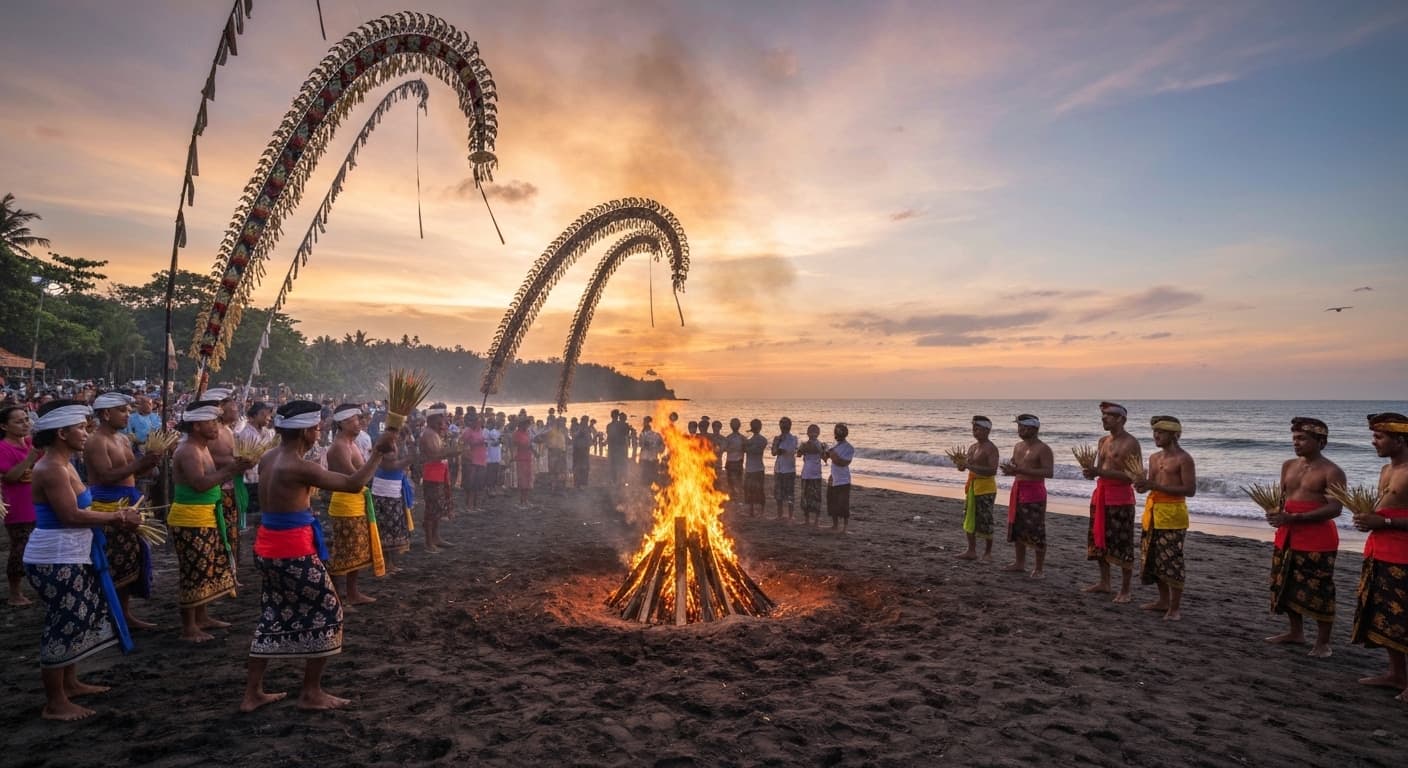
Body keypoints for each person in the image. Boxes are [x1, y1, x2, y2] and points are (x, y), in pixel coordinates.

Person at [241, 400, 394, 712]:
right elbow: (353, 484)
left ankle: (252, 693)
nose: (319, 431)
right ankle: (311, 692)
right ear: (305, 432)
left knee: (273, 614)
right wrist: (377, 452)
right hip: (292, 551)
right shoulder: (298, 466)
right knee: (329, 611)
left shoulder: (270, 457)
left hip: (268, 548)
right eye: (315, 427)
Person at [24, 400, 141, 720]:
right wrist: (117, 517)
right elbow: (70, 515)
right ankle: (55, 702)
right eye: (80, 427)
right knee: (63, 623)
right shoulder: (51, 468)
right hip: (56, 557)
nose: (86, 433)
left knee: (75, 618)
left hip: (72, 554)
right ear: (61, 433)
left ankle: (70, 683)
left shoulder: (63, 464)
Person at [169, 400, 253, 641]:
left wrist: (236, 467)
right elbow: (200, 484)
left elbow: (211, 476)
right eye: (211, 421)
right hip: (191, 518)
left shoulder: (202, 447)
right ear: (196, 426)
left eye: (217, 421)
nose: (216, 426)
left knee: (206, 568)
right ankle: (189, 628)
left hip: (206, 514)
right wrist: (233, 469)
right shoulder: (188, 450)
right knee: (193, 571)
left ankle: (202, 617)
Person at [84, 392, 167, 630]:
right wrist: (139, 465)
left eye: (128, 410)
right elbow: (106, 477)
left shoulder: (122, 439)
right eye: (123, 410)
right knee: (114, 564)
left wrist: (148, 466)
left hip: (129, 504)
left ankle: (124, 614)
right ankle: (110, 616)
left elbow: (130, 472)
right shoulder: (96, 441)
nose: (127, 414)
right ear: (106, 414)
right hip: (109, 507)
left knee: (131, 562)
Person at [1265, 417, 1344, 657]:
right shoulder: (1288, 465)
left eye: (1302, 438)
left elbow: (1335, 508)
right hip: (1287, 534)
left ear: (1320, 441)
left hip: (1317, 538)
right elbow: (1282, 499)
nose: (1296, 443)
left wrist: (1296, 519)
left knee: (1320, 588)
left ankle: (1322, 643)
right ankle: (1296, 632)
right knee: (1285, 583)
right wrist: (1275, 513)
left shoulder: (1332, 471)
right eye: (1294, 438)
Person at [1351, 412, 1408, 702]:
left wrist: (1384, 523)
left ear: (1399, 440)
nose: (1374, 442)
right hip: (1380, 551)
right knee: (1388, 616)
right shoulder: (1387, 471)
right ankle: (1397, 674)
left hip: (1404, 555)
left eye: (1379, 437)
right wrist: (1369, 520)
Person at [1134, 415, 1196, 621]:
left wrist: (1156, 486)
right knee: (1154, 559)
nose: (1156, 436)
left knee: (1172, 560)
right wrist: (1141, 486)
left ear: (1173, 434)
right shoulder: (1153, 458)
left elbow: (1189, 490)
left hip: (1173, 514)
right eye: (1154, 432)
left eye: (1160, 432)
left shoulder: (1184, 459)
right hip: (1153, 512)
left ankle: (1175, 608)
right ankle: (1162, 601)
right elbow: (1150, 485)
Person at [1082, 402, 1141, 602]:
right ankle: (1105, 582)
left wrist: (1100, 472)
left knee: (1123, 543)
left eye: (1108, 415)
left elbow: (1133, 476)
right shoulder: (1102, 441)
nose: (1103, 418)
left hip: (1120, 498)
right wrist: (1092, 473)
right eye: (1103, 415)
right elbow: (1100, 469)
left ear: (1121, 419)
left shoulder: (1131, 443)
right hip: (1101, 495)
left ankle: (1125, 589)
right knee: (1099, 542)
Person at [325, 404, 381, 605]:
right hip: (345, 503)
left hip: (356, 501)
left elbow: (362, 473)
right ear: (344, 423)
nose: (360, 423)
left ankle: (352, 593)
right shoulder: (339, 447)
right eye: (356, 419)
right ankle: (338, 598)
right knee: (343, 552)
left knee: (356, 551)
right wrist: (377, 456)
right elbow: (355, 478)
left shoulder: (351, 443)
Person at [1001, 414, 1053, 579]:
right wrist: (1010, 470)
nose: (1020, 430)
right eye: (1019, 427)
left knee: (1036, 530)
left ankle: (1039, 568)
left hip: (1034, 492)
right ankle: (1019, 562)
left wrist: (1019, 470)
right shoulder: (1018, 446)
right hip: (1018, 489)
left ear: (1034, 429)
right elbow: (1016, 466)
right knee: (1018, 528)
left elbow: (1048, 472)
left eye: (1024, 427)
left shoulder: (1043, 449)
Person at [2, 405, 40, 606]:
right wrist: (30, 458)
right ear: (4, 426)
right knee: (20, 549)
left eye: (26, 419)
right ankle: (15, 593)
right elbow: (11, 476)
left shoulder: (30, 443)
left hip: (38, 504)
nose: (25, 424)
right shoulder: (3, 448)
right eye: (19, 421)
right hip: (18, 507)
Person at [957, 416, 1000, 562]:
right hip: (972, 487)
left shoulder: (991, 448)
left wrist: (969, 466)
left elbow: (992, 470)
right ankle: (971, 550)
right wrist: (961, 465)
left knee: (986, 520)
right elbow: (964, 467)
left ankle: (988, 553)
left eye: (978, 429)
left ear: (987, 430)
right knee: (969, 518)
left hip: (986, 488)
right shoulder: (973, 447)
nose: (975, 431)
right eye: (973, 428)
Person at [417, 404, 454, 552]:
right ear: (433, 419)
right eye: (441, 418)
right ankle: (429, 542)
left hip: (439, 473)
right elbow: (434, 455)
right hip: (432, 475)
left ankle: (436, 537)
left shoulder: (435, 433)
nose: (444, 421)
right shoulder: (428, 434)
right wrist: (452, 452)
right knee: (432, 509)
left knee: (438, 508)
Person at [237, 402, 274, 530]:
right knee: (251, 512)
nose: (267, 417)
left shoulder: (268, 433)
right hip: (249, 479)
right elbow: (244, 461)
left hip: (264, 478)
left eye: (268, 415)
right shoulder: (246, 434)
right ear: (253, 416)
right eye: (263, 414)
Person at [824, 424, 855, 533]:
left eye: (838, 433)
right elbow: (825, 458)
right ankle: (835, 525)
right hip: (833, 477)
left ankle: (845, 528)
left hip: (843, 479)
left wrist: (831, 453)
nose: (836, 435)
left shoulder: (849, 448)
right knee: (832, 503)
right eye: (836, 432)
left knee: (843, 504)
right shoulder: (835, 446)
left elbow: (842, 462)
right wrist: (824, 451)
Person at [797, 424, 826, 526]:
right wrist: (804, 447)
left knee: (816, 497)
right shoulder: (804, 444)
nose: (813, 434)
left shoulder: (822, 445)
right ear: (807, 433)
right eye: (811, 431)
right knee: (806, 497)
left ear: (818, 433)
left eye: (815, 432)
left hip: (816, 474)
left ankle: (816, 521)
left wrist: (821, 450)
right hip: (806, 473)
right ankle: (807, 520)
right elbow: (798, 454)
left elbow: (825, 458)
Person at [772, 418, 799, 520]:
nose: (783, 427)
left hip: (789, 469)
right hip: (779, 469)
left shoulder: (794, 438)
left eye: (785, 425)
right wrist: (778, 444)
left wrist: (782, 450)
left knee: (790, 494)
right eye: (782, 424)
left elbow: (793, 451)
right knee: (778, 494)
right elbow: (774, 452)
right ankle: (779, 515)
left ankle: (790, 516)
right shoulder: (777, 438)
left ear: (790, 426)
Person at [461, 414, 488, 511]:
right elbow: (463, 444)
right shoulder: (467, 431)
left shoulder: (481, 431)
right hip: (471, 460)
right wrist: (476, 443)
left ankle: (476, 505)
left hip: (481, 460)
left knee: (478, 484)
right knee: (470, 485)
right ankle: (468, 505)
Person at [742, 419, 768, 516]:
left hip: (757, 468)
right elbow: (747, 449)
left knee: (758, 490)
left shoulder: (761, 440)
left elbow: (753, 450)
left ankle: (759, 511)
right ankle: (752, 511)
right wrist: (747, 445)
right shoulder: (750, 440)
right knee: (750, 490)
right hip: (751, 468)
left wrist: (747, 445)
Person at [512, 417, 537, 507]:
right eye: (526, 424)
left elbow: (529, 444)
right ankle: (522, 501)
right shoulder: (517, 434)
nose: (527, 426)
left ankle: (526, 500)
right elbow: (516, 445)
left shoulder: (526, 433)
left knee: (528, 480)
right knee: (522, 481)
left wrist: (534, 452)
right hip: (521, 459)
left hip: (528, 458)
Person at [724, 419, 745, 498]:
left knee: (734, 480)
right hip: (733, 462)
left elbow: (724, 448)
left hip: (736, 461)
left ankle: (735, 494)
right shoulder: (740, 438)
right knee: (733, 480)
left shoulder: (729, 438)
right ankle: (734, 495)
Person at [606, 410, 628, 486]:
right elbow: (626, 434)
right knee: (621, 464)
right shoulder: (622, 425)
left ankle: (614, 481)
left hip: (613, 447)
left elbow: (609, 437)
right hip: (620, 447)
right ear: (617, 416)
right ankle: (621, 480)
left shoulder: (609, 425)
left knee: (613, 464)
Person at [485, 414, 504, 497]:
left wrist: (499, 440)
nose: (492, 424)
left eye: (493, 423)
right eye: (491, 423)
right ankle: (489, 488)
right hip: (489, 456)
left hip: (496, 455)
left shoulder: (496, 431)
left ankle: (494, 488)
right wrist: (499, 441)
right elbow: (493, 443)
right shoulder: (485, 431)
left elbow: (499, 441)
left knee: (496, 472)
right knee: (490, 473)